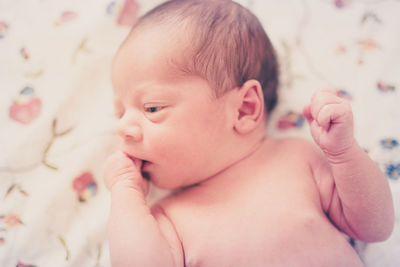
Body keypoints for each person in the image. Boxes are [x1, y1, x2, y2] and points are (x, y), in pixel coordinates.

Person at [103, 0, 394, 266]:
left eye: (152, 108)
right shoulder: (166, 220)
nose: (123, 128)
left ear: (244, 109)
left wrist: (344, 154)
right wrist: (125, 193)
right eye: (120, 113)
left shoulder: (295, 160)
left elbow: (376, 226)